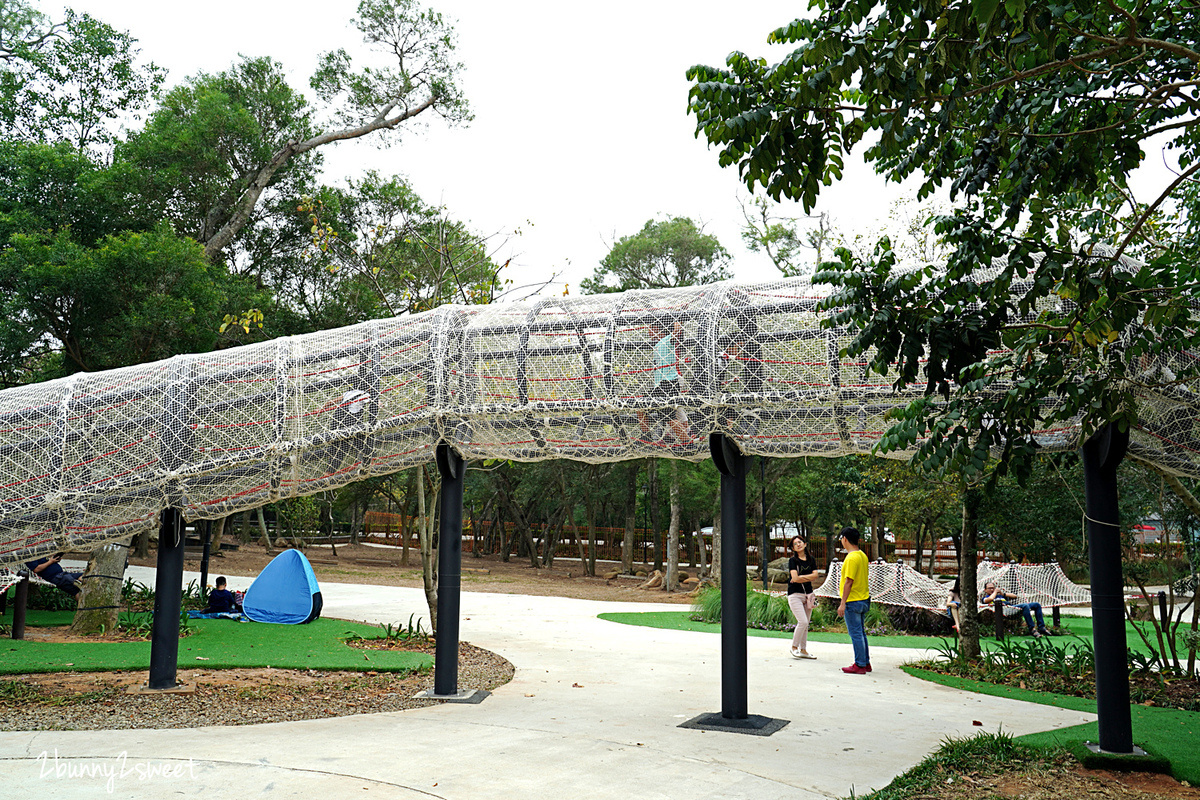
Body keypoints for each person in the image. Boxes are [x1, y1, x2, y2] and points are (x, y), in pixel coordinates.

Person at [638, 320, 689, 444]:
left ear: (657, 329)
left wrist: (676, 318)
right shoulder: (657, 344)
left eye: (650, 328)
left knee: (669, 416)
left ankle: (687, 442)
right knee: (640, 406)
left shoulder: (667, 340)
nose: (649, 332)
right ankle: (646, 436)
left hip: (668, 383)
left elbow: (677, 332)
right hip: (661, 385)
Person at [837, 527, 872, 674]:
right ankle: (865, 662)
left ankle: (859, 664)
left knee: (856, 634)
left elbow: (848, 581)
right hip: (863, 598)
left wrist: (842, 603)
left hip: (853, 601)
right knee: (861, 633)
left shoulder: (851, 558)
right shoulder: (862, 555)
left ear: (845, 539)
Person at [786, 535, 820, 659]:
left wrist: (800, 578)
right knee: (803, 621)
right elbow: (794, 578)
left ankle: (804, 650)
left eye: (800, 542)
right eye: (795, 544)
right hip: (795, 594)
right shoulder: (793, 561)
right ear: (793, 548)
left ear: (805, 544)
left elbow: (816, 575)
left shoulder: (811, 559)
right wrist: (807, 577)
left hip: (809, 594)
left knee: (806, 624)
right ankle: (794, 647)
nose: (798, 545)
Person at [980, 581, 1049, 637]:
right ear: (985, 590)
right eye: (989, 588)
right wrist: (995, 592)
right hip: (1004, 612)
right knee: (1025, 606)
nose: (992, 589)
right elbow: (990, 599)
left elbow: (1014, 596)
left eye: (993, 588)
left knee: (1036, 605)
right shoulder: (985, 598)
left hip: (1012, 608)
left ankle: (1041, 627)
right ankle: (1032, 629)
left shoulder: (1000, 596)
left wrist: (1002, 593)